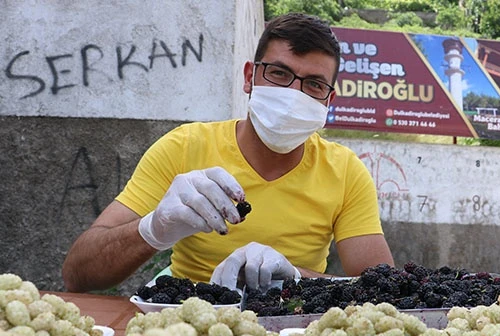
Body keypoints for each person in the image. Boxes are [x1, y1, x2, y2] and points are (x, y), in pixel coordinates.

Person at [62, 12, 394, 293]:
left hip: (291, 318)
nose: (294, 94)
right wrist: (153, 229)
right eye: (279, 73)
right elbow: (77, 273)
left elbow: (384, 290)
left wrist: (295, 276)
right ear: (250, 77)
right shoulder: (185, 146)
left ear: (328, 100)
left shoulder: (345, 171)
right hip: (188, 317)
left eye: (314, 84)